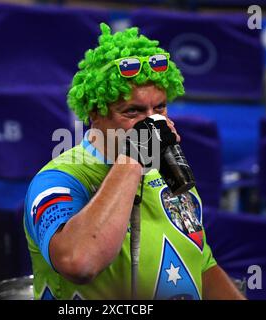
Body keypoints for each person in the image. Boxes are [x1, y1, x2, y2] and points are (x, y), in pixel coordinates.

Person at [24, 23, 245, 300]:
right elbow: (79, 263)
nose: (153, 122)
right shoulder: (58, 181)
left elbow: (201, 263)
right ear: (96, 112)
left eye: (160, 108)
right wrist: (132, 159)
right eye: (133, 111)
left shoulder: (169, 172)